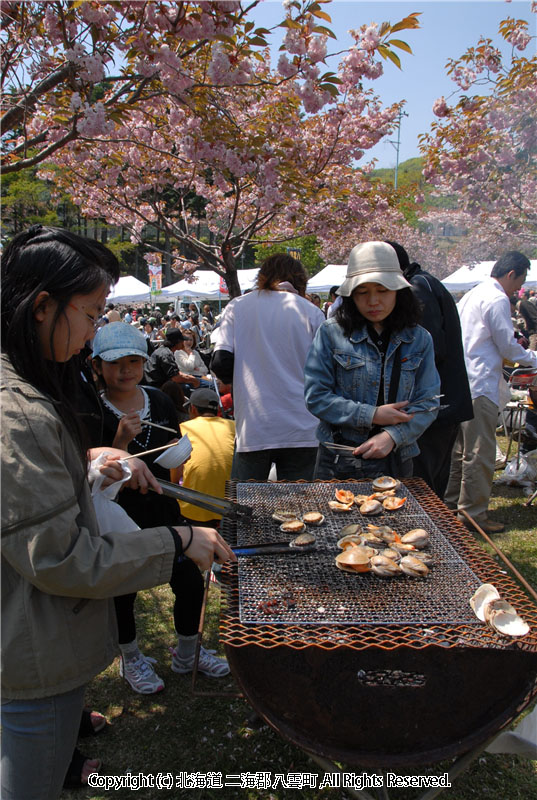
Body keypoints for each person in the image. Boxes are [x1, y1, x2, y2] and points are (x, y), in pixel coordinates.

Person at [0, 226, 235, 800]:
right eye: (90, 314)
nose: (89, 337)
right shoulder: (19, 410)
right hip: (30, 647)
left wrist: (88, 458)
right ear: (42, 307)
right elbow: (57, 558)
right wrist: (179, 543)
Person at [91, 323, 229, 692]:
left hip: (163, 503)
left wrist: (180, 467)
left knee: (187, 577)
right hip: (117, 513)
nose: (126, 370)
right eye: (116, 362)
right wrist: (120, 440)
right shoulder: (91, 408)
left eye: (134, 361)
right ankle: (131, 658)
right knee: (122, 588)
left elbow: (174, 445)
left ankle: (187, 652)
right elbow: (91, 470)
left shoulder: (160, 398)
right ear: (97, 366)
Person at [304, 241, 440, 480]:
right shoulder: (331, 333)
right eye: (362, 292)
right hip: (339, 458)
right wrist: (372, 414)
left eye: (383, 290)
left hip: (397, 458)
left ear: (398, 290)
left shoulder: (419, 339)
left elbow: (428, 403)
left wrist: (392, 436)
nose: (373, 301)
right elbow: (316, 396)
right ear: (351, 296)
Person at [445, 251, 537, 532]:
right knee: (479, 452)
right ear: (513, 275)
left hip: (464, 381)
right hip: (480, 383)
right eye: (519, 282)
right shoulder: (496, 297)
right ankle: (473, 513)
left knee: (461, 451)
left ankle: (450, 505)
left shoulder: (473, 293)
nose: (517, 289)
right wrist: (533, 357)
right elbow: (508, 346)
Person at [211, 253, 325, 480]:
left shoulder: (238, 307)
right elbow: (325, 371)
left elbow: (220, 362)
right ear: (300, 280)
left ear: (262, 276)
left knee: (244, 508)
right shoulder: (312, 312)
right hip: (303, 429)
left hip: (255, 428)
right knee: (300, 508)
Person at [387, 241, 473, 498]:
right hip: (441, 406)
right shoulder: (424, 282)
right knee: (430, 487)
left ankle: (428, 536)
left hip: (434, 408)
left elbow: (429, 351)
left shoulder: (416, 288)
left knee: (422, 490)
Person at [171, 388, 236, 529]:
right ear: (218, 409)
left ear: (193, 409)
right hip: (231, 505)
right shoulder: (234, 426)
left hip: (194, 509)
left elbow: (175, 477)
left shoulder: (183, 428)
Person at [143, 328, 200, 392]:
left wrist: (190, 377)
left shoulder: (164, 350)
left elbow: (174, 372)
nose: (183, 343)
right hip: (156, 387)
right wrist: (194, 380)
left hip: (157, 384)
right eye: (182, 341)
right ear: (177, 342)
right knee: (186, 387)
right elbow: (175, 377)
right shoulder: (166, 354)